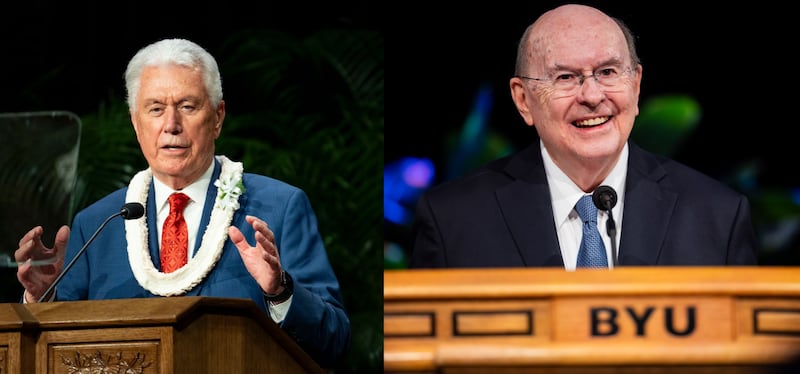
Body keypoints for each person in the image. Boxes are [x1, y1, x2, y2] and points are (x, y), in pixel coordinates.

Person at [14, 38, 350, 367]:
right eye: (155, 109)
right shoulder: (97, 225)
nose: (171, 125)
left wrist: (280, 291)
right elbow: (57, 353)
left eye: (187, 106)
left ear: (217, 117)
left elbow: (334, 341)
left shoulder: (279, 208)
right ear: (135, 122)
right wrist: (44, 298)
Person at [408, 4, 758, 269]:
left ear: (636, 85)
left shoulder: (717, 215)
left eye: (607, 72)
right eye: (565, 77)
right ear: (523, 99)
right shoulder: (452, 220)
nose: (591, 96)